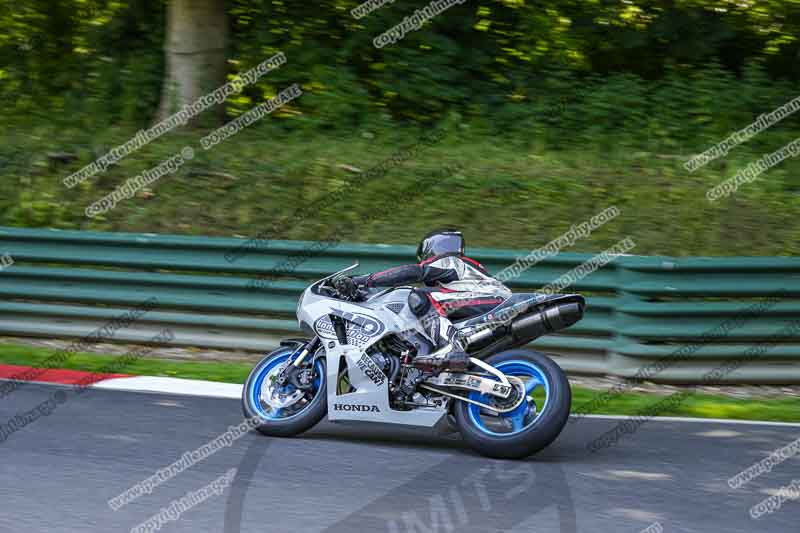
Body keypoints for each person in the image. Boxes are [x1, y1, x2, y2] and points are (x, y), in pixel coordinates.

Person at [335, 229, 512, 372]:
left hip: (491, 299)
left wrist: (364, 281)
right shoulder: (463, 274)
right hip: (489, 302)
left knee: (419, 296)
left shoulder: (450, 261)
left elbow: (414, 272)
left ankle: (452, 348)